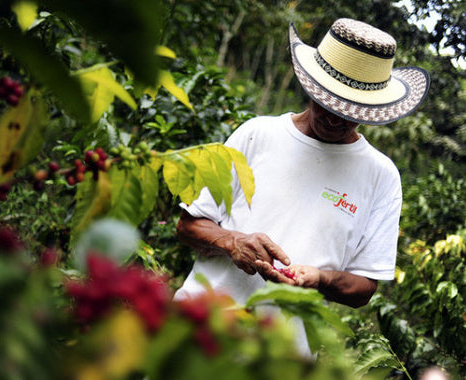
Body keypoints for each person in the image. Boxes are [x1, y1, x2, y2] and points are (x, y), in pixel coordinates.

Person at [173, 18, 430, 355]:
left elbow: (364, 287)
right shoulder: (258, 135)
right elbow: (189, 225)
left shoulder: (380, 176)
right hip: (197, 335)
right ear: (311, 86)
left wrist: (320, 279)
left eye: (351, 111)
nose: (335, 118)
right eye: (327, 103)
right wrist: (233, 242)